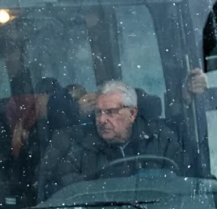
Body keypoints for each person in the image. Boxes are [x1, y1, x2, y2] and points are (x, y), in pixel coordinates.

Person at [43, 80, 186, 193]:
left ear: (132, 113)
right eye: (98, 112)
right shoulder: (78, 146)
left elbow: (182, 186)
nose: (101, 120)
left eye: (110, 112)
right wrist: (106, 182)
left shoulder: (161, 139)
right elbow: (66, 192)